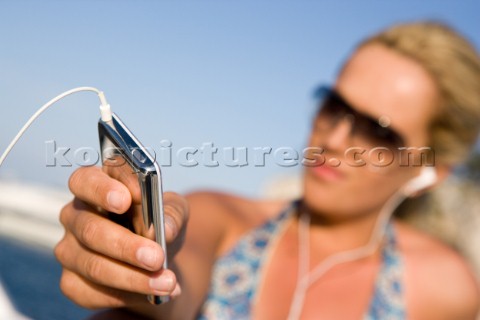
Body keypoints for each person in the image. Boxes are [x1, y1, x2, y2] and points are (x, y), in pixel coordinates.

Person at [54, 21, 480, 319]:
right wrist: (143, 268)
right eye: (335, 106)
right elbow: (175, 285)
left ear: (429, 171)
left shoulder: (445, 288)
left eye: (376, 132)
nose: (333, 139)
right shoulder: (222, 220)